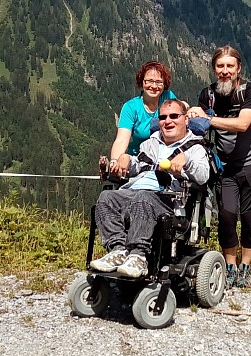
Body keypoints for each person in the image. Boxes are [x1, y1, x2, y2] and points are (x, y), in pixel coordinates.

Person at [90, 99, 211, 278]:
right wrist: (126, 160)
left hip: (169, 200)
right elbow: (138, 165)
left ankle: (139, 256)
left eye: (174, 116)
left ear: (186, 120)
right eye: (162, 117)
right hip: (136, 192)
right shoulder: (150, 144)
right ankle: (118, 250)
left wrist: (186, 161)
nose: (167, 121)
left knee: (144, 198)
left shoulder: (195, 148)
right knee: (107, 197)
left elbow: (203, 176)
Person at [186, 45, 251, 288]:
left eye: (230, 66)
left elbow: (243, 125)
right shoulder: (207, 95)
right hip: (225, 167)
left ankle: (246, 266)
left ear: (238, 68)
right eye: (220, 66)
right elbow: (197, 126)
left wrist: (208, 119)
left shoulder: (250, 91)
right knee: (228, 217)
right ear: (213, 68)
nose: (225, 71)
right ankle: (230, 266)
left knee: (250, 218)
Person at [107, 61, 178, 178]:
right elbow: (121, 139)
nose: (154, 86)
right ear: (142, 82)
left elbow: (180, 111)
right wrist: (115, 161)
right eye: (149, 81)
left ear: (164, 84)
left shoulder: (168, 97)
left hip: (164, 159)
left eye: (159, 82)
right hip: (138, 161)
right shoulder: (131, 107)